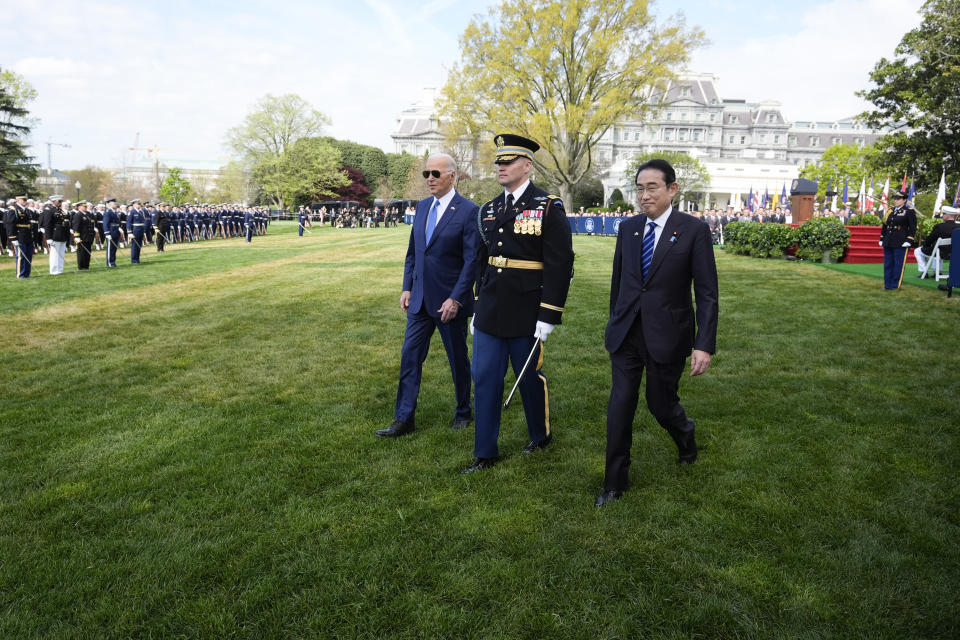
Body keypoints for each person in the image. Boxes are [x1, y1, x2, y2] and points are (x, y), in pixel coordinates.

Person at [596, 158, 718, 507]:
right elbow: (619, 283)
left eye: (652, 188)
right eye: (639, 188)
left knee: (660, 404)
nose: (644, 195)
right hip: (627, 335)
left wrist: (703, 344)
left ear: (672, 190)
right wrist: (614, 323)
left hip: (668, 336)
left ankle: (685, 434)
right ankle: (614, 483)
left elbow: (707, 293)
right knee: (620, 404)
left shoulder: (693, 231)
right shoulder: (629, 229)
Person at [462, 133, 574, 474]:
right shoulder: (490, 209)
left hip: (528, 309)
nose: (501, 167)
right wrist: (477, 306)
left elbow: (560, 263)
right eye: (498, 162)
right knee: (484, 379)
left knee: (528, 378)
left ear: (527, 166)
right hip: (491, 308)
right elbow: (482, 262)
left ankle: (540, 436)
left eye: (508, 162)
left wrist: (549, 313)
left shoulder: (547, 207)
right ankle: (485, 452)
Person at [377, 153, 480, 438]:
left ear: (452, 175)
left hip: (450, 303)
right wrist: (407, 287)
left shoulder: (469, 211)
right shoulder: (422, 208)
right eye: (427, 174)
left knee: (458, 359)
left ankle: (463, 411)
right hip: (419, 300)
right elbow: (413, 253)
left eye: (435, 173)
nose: (430, 179)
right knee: (409, 357)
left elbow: (472, 261)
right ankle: (404, 418)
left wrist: (457, 298)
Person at [879, 189, 917, 290]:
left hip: (901, 241)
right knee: (888, 264)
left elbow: (913, 227)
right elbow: (885, 225)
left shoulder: (909, 211)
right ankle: (887, 285)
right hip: (888, 240)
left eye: (898, 199)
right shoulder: (890, 211)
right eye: (895, 198)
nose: (896, 200)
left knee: (898, 264)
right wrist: (882, 237)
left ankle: (895, 285)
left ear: (904, 200)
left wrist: (909, 240)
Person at [915, 205, 958, 275]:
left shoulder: (939, 226)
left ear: (948, 216)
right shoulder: (958, 227)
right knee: (938, 248)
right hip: (954, 253)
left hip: (940, 252)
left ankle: (924, 272)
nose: (942, 215)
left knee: (918, 251)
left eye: (944, 214)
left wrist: (926, 245)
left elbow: (930, 240)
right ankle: (937, 272)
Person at [5, 194, 34, 278]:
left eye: (26, 200)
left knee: (28, 256)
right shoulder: (13, 210)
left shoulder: (26, 210)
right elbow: (10, 225)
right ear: (18, 200)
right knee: (21, 256)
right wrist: (13, 238)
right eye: (23, 199)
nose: (25, 201)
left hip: (28, 236)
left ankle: (27, 274)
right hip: (19, 236)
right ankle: (21, 274)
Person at [71, 200, 97, 270]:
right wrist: (76, 236)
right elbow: (76, 226)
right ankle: (81, 266)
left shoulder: (88, 214)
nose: (85, 207)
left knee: (88, 252)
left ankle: (86, 266)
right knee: (81, 252)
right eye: (84, 206)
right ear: (79, 207)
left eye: (86, 206)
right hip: (82, 237)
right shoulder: (78, 215)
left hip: (88, 236)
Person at [102, 198, 121, 268]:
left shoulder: (115, 212)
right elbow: (105, 224)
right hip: (111, 232)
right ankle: (109, 262)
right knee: (110, 249)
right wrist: (107, 233)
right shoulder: (108, 212)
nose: (116, 205)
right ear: (110, 204)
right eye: (114, 204)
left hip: (116, 231)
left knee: (114, 248)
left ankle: (113, 262)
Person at [126, 199, 146, 264]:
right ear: (134, 204)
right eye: (138, 204)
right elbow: (129, 222)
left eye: (140, 204)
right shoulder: (131, 212)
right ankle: (134, 260)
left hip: (140, 230)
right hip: (135, 230)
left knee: (139, 245)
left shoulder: (140, 212)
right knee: (135, 246)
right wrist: (129, 232)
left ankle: (137, 259)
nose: (139, 205)